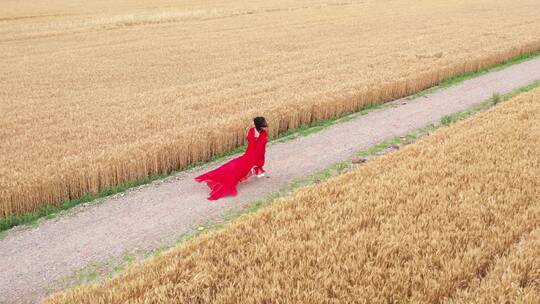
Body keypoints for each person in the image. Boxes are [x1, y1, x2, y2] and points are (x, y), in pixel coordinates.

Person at [195, 117, 268, 200]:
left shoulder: (256, 132)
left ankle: (257, 170)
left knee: (240, 166)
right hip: (251, 154)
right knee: (238, 168)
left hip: (254, 154)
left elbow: (257, 144)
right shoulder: (258, 132)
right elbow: (257, 143)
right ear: (260, 125)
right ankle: (219, 179)